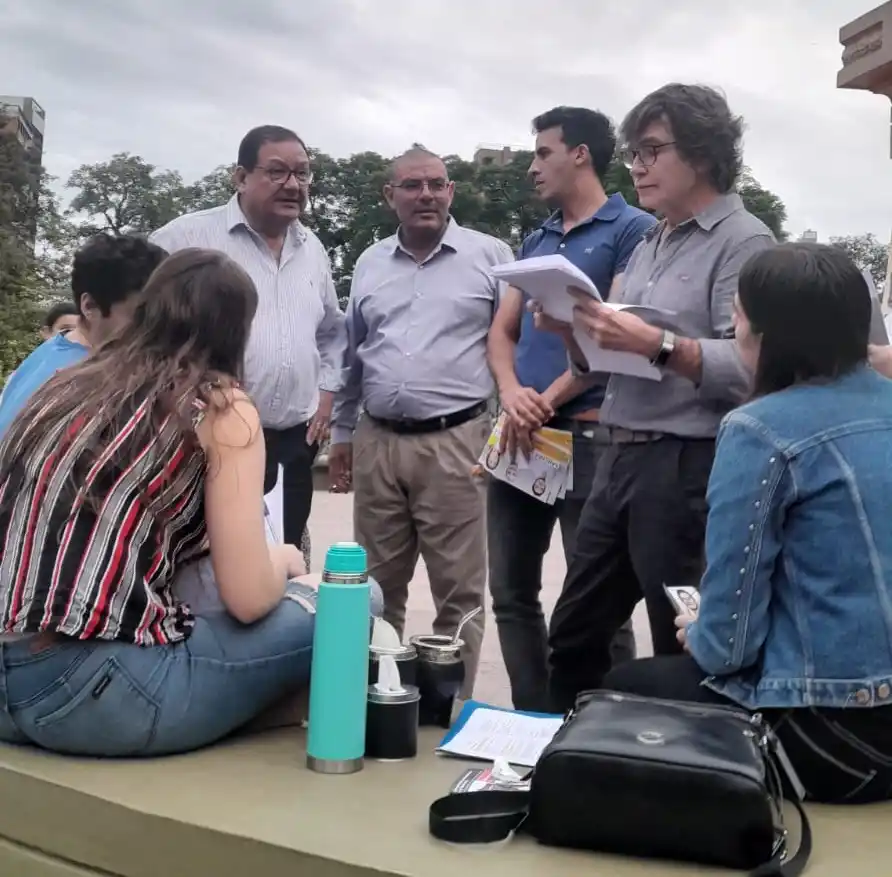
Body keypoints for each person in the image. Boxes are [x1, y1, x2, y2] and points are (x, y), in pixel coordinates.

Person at [0, 249, 322, 757]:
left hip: (8, 688)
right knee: (349, 598)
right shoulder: (220, 406)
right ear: (238, 330)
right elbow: (247, 597)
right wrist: (284, 561)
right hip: (95, 694)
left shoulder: (64, 384)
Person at [602, 243, 892, 805]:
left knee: (623, 691)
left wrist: (702, 631)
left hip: (839, 737)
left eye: (734, 317)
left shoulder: (759, 430)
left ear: (763, 334)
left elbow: (728, 647)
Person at [537, 84, 776, 712]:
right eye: (634, 154)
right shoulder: (651, 240)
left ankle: (677, 784)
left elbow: (755, 368)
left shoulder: (745, 243)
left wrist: (657, 343)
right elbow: (609, 361)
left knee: (684, 644)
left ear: (701, 154)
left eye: (650, 151)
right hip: (617, 454)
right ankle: (575, 768)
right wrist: (572, 329)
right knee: (573, 634)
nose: (636, 167)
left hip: (686, 466)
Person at [329, 147, 513, 699]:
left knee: (459, 591)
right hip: (378, 439)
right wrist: (342, 434)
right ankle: (379, 700)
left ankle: (447, 708)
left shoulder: (491, 256)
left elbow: (514, 345)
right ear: (390, 196)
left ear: (451, 191)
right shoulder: (369, 263)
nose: (426, 195)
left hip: (459, 442)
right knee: (377, 588)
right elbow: (352, 355)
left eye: (436, 184)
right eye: (411, 185)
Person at [486, 106, 654, 712]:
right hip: (521, 433)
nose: (533, 168)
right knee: (511, 591)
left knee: (599, 602)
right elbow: (501, 331)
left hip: (589, 436)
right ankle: (534, 720)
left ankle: (606, 727)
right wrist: (511, 394)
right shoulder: (536, 239)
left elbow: (617, 336)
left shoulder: (634, 231)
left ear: (579, 153)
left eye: (542, 153)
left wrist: (547, 399)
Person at [150, 125, 347, 550]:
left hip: (294, 443)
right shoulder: (185, 239)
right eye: (276, 172)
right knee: (204, 564)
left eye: (303, 174)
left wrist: (328, 394)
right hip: (206, 442)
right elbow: (140, 327)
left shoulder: (312, 249)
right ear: (240, 177)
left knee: (284, 558)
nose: (293, 185)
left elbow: (332, 332)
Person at [0, 234, 167, 438]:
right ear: (89, 306)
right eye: (140, 315)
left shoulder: (55, 350)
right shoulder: (76, 380)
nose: (154, 327)